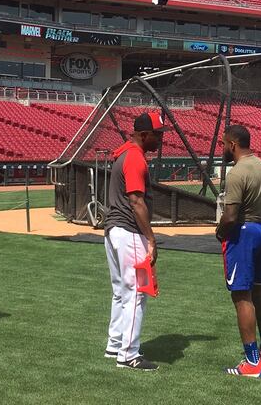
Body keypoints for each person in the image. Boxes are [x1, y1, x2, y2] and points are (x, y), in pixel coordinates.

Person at [103, 112, 165, 371]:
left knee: (121, 292)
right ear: (143, 134)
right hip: (129, 232)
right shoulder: (135, 158)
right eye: (157, 135)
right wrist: (151, 239)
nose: (160, 140)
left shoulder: (125, 153)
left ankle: (115, 344)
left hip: (114, 231)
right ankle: (128, 354)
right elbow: (136, 201)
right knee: (136, 293)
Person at [216, 125, 261, 378]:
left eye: (223, 144)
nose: (222, 148)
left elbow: (230, 216)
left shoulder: (237, 172)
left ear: (232, 144)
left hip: (244, 234)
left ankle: (252, 362)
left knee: (241, 296)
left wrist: (220, 232)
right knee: (259, 290)